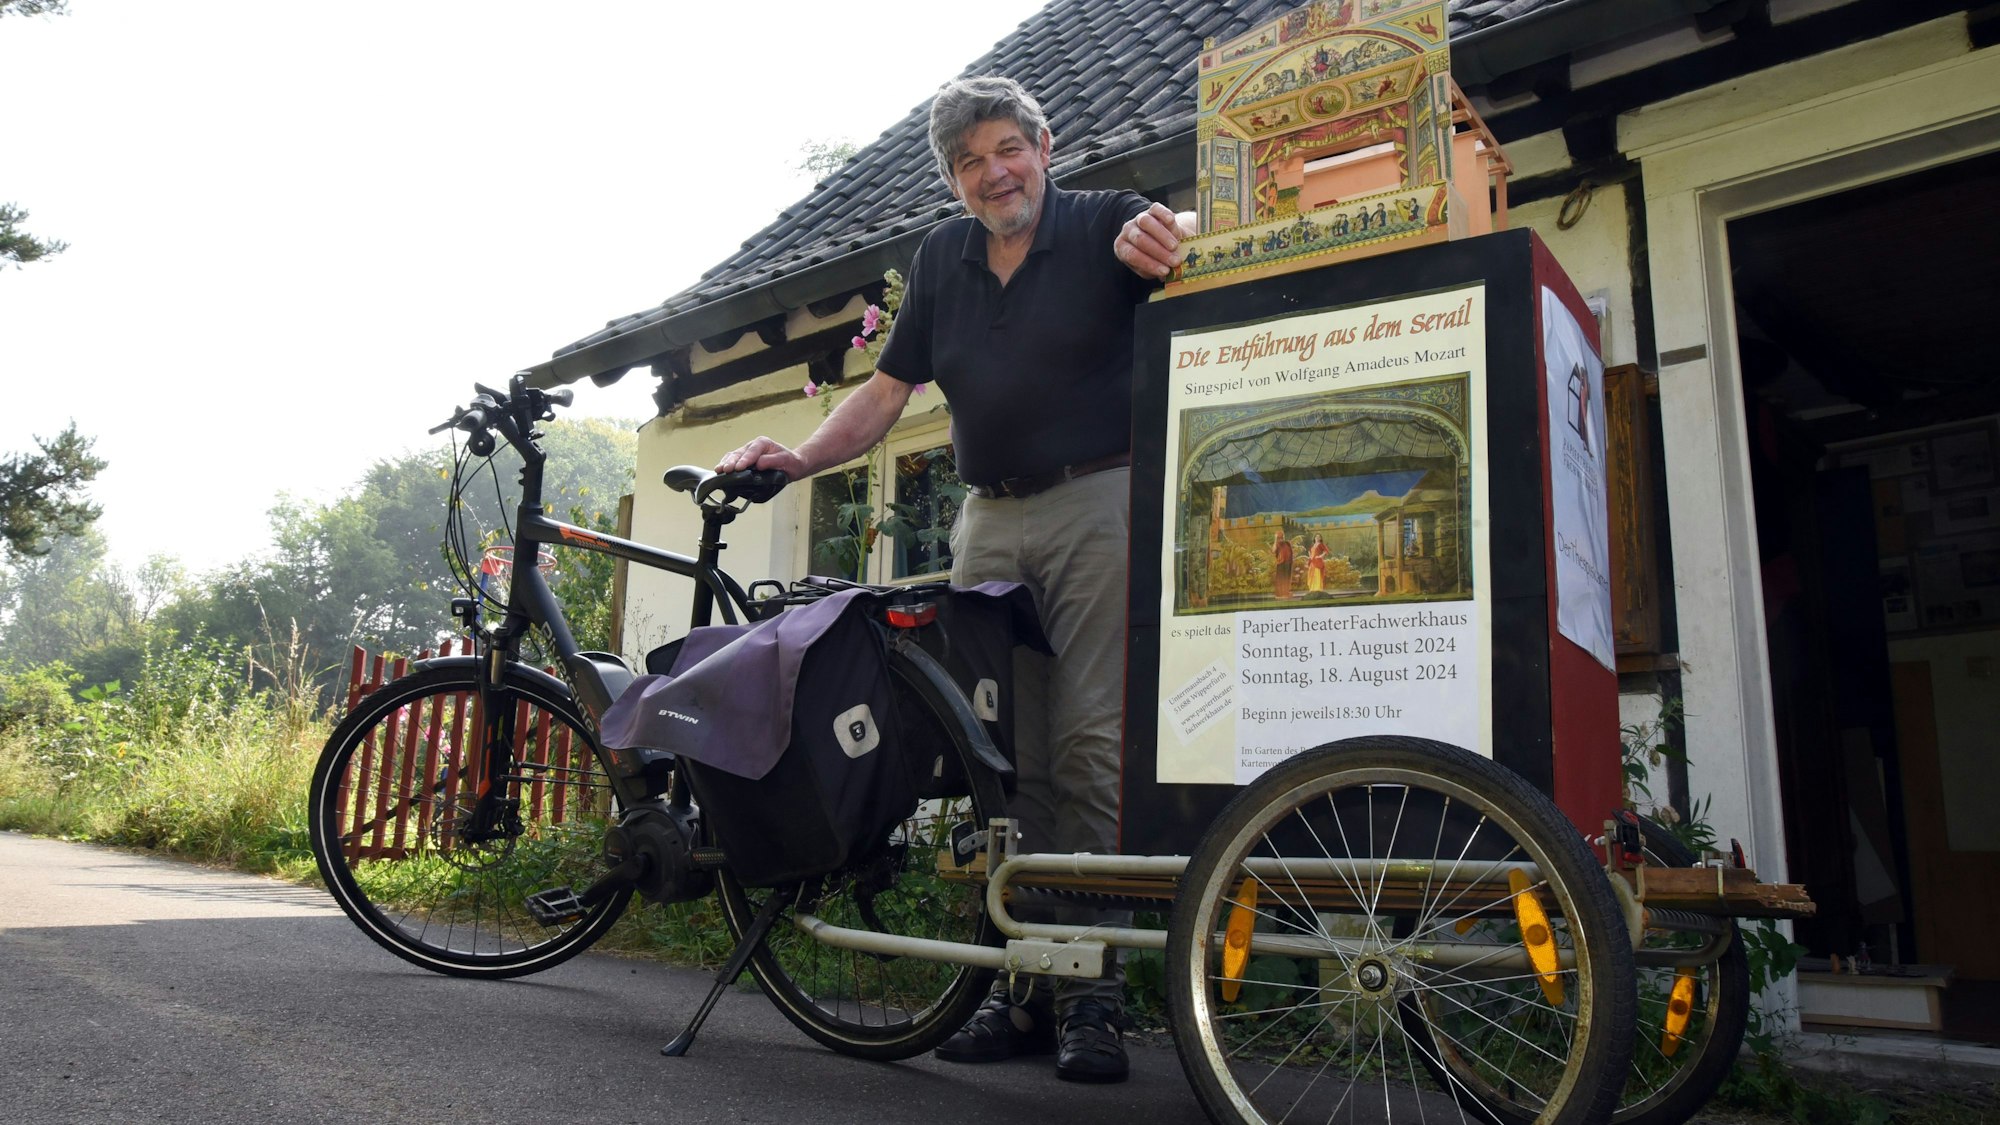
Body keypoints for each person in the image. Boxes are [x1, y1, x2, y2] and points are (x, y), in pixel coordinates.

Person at [716, 75, 1193, 1084]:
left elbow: (1181, 226)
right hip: (988, 520)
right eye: (967, 162)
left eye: (1004, 148)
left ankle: (1091, 999)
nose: (992, 173)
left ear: (1042, 143)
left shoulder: (1101, 219)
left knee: (1089, 745)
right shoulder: (941, 256)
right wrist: (798, 461)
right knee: (996, 757)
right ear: (952, 180)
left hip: (1095, 507)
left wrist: (1174, 232)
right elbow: (886, 396)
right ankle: (1020, 989)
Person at [1272, 529, 1294, 599]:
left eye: (1282, 536)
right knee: (1281, 578)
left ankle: (1286, 592)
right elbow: (1273, 550)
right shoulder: (1277, 544)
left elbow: (1291, 552)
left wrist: (1291, 561)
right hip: (1281, 563)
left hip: (1288, 563)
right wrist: (1275, 539)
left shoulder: (1287, 543)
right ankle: (1280, 593)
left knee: (1287, 578)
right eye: (1280, 537)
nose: (1282, 538)